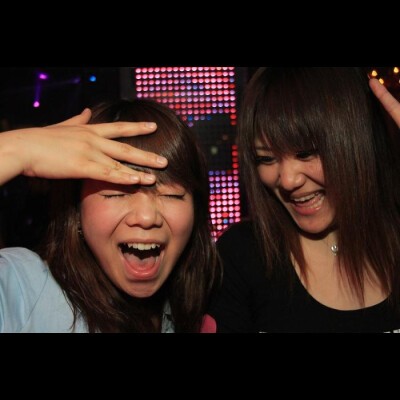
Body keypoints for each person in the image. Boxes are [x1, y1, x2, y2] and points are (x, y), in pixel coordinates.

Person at [205, 67, 400, 333]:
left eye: (306, 153)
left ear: (357, 142)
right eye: (266, 158)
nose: (287, 180)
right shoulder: (241, 256)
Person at [0, 99, 220, 332]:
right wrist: (15, 150)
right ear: (76, 210)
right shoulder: (24, 290)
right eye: (116, 194)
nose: (146, 217)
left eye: (172, 195)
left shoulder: (197, 314)